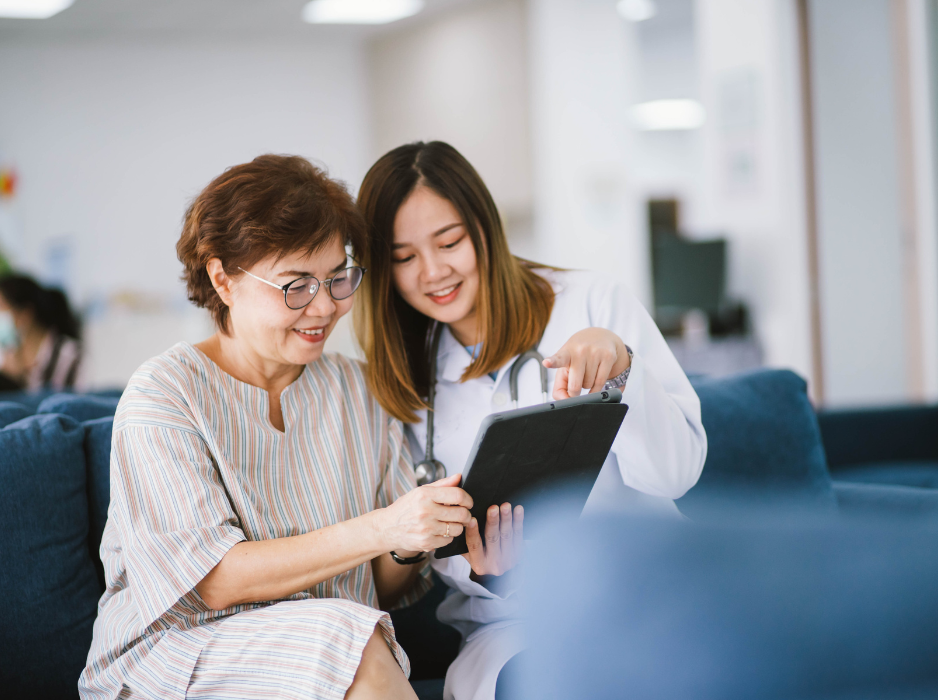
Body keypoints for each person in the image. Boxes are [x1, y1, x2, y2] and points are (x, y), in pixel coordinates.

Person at [79, 155, 476, 700]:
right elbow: (213, 581)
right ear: (223, 279)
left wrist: (410, 540)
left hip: (330, 651)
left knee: (347, 634)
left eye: (339, 278)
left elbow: (380, 585)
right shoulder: (165, 394)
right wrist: (383, 527)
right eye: (296, 285)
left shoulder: (358, 390)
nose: (324, 307)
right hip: (180, 657)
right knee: (346, 640)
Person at [354, 141, 708, 700]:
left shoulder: (591, 303)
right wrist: (492, 571)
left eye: (450, 242)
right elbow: (417, 552)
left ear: (484, 229)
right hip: (515, 628)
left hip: (649, 586)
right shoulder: (403, 380)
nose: (434, 271)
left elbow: (676, 474)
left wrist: (621, 368)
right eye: (404, 257)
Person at [0, 273, 83, 391]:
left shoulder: (68, 355)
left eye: (1, 307)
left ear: (25, 314)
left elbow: (64, 404)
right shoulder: (6, 357)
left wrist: (16, 382)